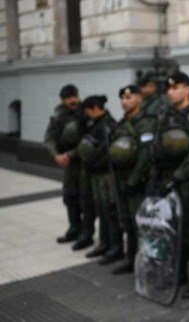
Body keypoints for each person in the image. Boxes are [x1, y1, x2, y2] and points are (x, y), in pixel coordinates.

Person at [152, 71, 189, 299]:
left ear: (187, 89)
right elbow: (157, 146)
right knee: (174, 228)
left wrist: (177, 176)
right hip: (168, 180)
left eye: (176, 88)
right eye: (169, 89)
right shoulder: (166, 115)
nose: (171, 92)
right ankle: (181, 274)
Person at [108, 85, 156, 274]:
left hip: (138, 181)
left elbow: (145, 155)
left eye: (128, 97)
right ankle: (131, 258)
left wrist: (133, 180)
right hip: (122, 178)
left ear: (139, 99)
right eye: (122, 98)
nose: (124, 101)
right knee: (127, 220)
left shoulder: (146, 123)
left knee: (141, 222)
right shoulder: (121, 123)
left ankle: (148, 259)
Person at [77, 95, 121, 265]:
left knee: (110, 210)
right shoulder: (95, 124)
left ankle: (115, 247)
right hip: (96, 174)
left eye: (88, 111)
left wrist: (93, 162)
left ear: (95, 108)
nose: (87, 114)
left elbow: (108, 153)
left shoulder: (109, 126)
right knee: (101, 208)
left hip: (106, 174)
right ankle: (105, 243)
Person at [44, 84, 88, 245]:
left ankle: (86, 233)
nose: (73, 101)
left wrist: (70, 154)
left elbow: (89, 140)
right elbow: (49, 138)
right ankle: (74, 229)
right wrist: (56, 155)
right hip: (69, 164)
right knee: (70, 196)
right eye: (68, 98)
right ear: (63, 101)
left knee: (86, 198)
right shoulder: (59, 116)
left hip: (85, 161)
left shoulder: (86, 113)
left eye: (74, 97)